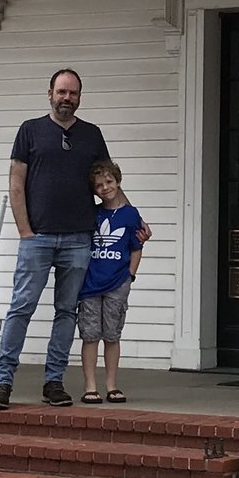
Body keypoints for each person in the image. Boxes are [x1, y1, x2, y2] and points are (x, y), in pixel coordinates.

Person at [0, 69, 109, 409]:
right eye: (61, 92)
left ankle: (53, 381)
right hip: (37, 238)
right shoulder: (30, 130)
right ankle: (2, 383)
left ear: (80, 97)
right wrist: (25, 231)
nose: (66, 98)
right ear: (50, 94)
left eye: (72, 93)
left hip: (78, 239)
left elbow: (106, 184)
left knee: (66, 312)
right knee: (21, 308)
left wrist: (132, 217)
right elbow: (16, 183)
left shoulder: (92, 135)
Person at [76, 160, 148, 404]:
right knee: (90, 335)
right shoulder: (92, 213)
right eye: (99, 185)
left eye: (109, 182)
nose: (105, 187)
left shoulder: (130, 214)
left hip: (117, 283)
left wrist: (130, 276)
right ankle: (90, 386)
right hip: (89, 285)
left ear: (118, 182)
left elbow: (136, 247)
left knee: (112, 335)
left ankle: (112, 385)